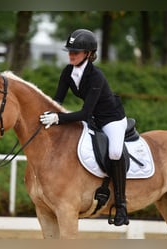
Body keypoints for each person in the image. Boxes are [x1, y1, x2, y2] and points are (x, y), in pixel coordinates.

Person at [39, 29, 129, 226]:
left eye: (76, 51)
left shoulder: (96, 76)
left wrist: (58, 118)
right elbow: (57, 101)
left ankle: (121, 205)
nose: (71, 54)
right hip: (93, 119)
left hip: (112, 119)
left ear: (88, 54)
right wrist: (47, 115)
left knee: (114, 151)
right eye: (70, 51)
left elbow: (84, 112)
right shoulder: (67, 71)